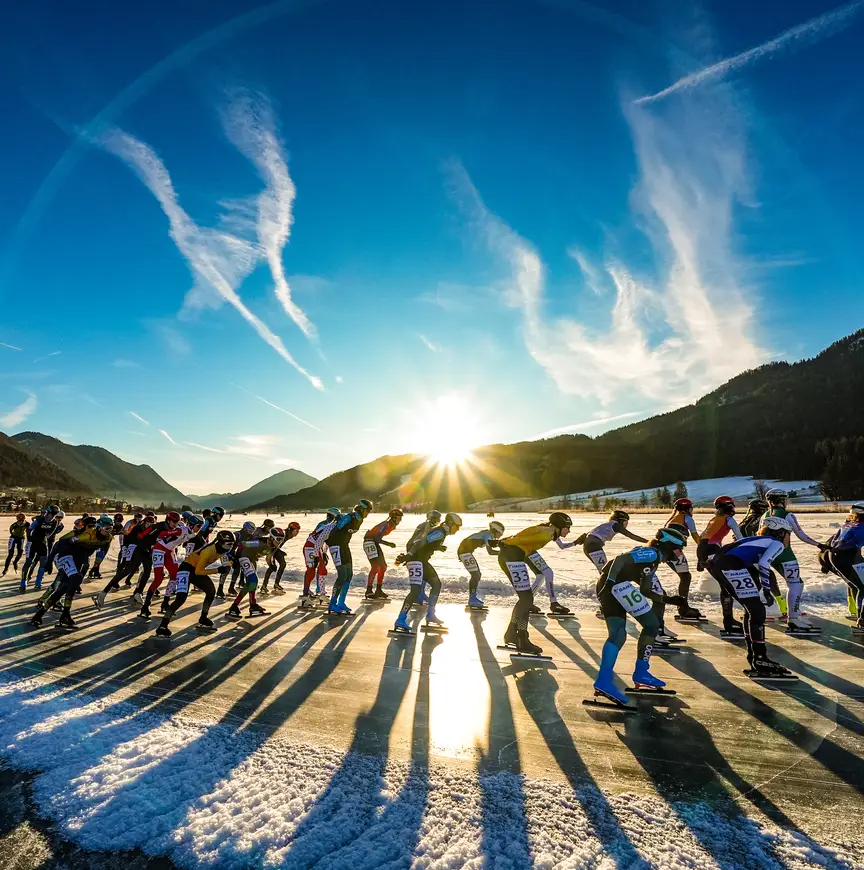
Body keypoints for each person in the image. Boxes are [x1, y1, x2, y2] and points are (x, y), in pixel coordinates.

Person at [591, 527, 688, 706]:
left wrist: (669, 599)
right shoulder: (651, 553)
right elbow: (620, 560)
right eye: (679, 549)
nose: (680, 554)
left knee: (623, 632)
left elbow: (645, 590)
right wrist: (611, 582)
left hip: (612, 585)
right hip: (614, 584)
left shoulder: (654, 561)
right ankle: (632, 674)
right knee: (646, 626)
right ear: (668, 545)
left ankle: (612, 678)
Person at [705, 516, 795, 678]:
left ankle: (754, 656)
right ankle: (760, 658)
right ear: (781, 533)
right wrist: (767, 591)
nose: (790, 538)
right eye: (789, 534)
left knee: (752, 610)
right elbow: (764, 564)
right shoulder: (777, 543)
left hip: (721, 562)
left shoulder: (758, 539)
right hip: (731, 564)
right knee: (757, 611)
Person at [495, 513, 573, 656]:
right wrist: (506, 542)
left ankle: (512, 633)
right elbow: (525, 538)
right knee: (527, 599)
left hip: (511, 555)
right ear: (560, 526)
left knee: (525, 598)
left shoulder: (544, 529)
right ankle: (521, 638)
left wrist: (506, 541)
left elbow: (523, 536)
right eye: (567, 527)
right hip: (513, 555)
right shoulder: (548, 533)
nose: (569, 531)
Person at [29, 516, 114, 629]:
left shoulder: (108, 538)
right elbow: (59, 544)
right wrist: (49, 561)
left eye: (111, 529)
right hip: (64, 555)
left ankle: (40, 615)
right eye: (107, 528)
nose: (109, 531)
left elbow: (103, 551)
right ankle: (64, 614)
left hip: (78, 559)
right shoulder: (85, 535)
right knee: (75, 579)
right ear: (99, 528)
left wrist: (96, 566)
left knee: (65, 586)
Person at [762, 489, 826, 634]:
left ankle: (794, 616)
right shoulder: (788, 515)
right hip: (786, 555)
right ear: (782, 500)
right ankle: (794, 618)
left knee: (795, 583)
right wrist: (818, 544)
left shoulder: (765, 515)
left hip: (771, 554)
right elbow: (800, 534)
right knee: (796, 585)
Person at [155, 530, 236, 637]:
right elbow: (199, 571)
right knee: (181, 598)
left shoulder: (222, 550)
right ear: (221, 543)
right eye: (229, 544)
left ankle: (203, 617)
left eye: (232, 544)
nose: (231, 546)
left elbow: (226, 563)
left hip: (195, 569)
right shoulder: (208, 551)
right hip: (186, 569)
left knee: (211, 591)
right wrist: (218, 570)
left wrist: (230, 564)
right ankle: (162, 625)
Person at [392, 512, 462, 633]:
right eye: (457, 527)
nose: (458, 530)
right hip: (416, 560)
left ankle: (430, 615)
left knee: (436, 584)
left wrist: (437, 547)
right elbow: (421, 542)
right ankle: (401, 619)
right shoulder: (440, 532)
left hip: (421, 561)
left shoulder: (441, 532)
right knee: (415, 591)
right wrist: (409, 555)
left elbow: (428, 543)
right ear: (450, 524)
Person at [314, 499, 373, 615]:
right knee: (342, 576)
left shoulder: (359, 519)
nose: (368, 514)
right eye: (367, 511)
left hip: (344, 545)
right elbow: (337, 526)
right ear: (361, 509)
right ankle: (332, 603)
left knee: (349, 575)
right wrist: (320, 550)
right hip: (336, 545)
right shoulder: (350, 517)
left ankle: (341, 602)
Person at [138, 513, 203, 617]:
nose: (200, 528)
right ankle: (146, 606)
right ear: (191, 524)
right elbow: (163, 534)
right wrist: (155, 543)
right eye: (199, 526)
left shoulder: (192, 533)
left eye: (201, 526)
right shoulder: (182, 530)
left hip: (169, 551)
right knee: (158, 578)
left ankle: (165, 603)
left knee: (174, 576)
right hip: (159, 550)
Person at [696, 496, 743, 633]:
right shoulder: (729, 519)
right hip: (712, 551)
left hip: (704, 551)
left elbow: (702, 539)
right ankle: (729, 622)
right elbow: (740, 538)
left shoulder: (714, 519)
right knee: (727, 586)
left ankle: (729, 621)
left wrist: (700, 559)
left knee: (725, 586)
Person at [738, 498, 785, 619]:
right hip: (754, 555)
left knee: (754, 583)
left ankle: (750, 611)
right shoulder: (760, 520)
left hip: (743, 555)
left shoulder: (745, 520)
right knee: (768, 579)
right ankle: (780, 607)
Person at [823, 504, 864, 632]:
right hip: (849, 557)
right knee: (862, 587)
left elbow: (831, 542)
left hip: (834, 557)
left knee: (859, 586)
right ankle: (862, 619)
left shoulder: (847, 524)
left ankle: (859, 615)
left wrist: (824, 563)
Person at [662, 499, 703, 620]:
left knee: (685, 577)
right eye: (691, 508)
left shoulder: (673, 518)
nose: (692, 510)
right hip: (674, 552)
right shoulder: (687, 518)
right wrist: (702, 549)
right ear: (687, 509)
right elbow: (695, 535)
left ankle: (683, 607)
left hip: (668, 552)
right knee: (686, 577)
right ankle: (683, 609)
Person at [227, 525, 277, 618]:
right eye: (278, 539)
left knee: (253, 582)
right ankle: (234, 606)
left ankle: (252, 605)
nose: (279, 541)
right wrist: (236, 558)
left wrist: (272, 565)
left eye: (281, 540)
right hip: (244, 557)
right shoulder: (260, 542)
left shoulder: (273, 546)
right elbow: (242, 544)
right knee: (252, 580)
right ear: (272, 537)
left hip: (252, 559)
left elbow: (268, 557)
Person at [579, 510, 648, 574]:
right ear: (620, 520)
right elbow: (631, 536)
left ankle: (606, 584)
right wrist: (648, 542)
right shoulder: (616, 525)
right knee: (606, 571)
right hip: (593, 546)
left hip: (587, 546)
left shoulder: (606, 525)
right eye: (625, 522)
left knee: (603, 570)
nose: (626, 525)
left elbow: (588, 534)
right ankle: (608, 586)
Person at [457, 521, 505, 609]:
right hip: (464, 552)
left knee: (476, 575)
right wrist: (504, 553)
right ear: (495, 530)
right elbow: (490, 552)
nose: (500, 536)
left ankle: (472, 598)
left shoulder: (487, 534)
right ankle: (472, 599)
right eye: (500, 534)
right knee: (476, 575)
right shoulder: (488, 535)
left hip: (464, 551)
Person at [300, 508, 339, 605]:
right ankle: (305, 596)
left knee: (322, 570)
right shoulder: (325, 524)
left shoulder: (331, 525)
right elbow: (319, 539)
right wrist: (320, 554)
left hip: (317, 546)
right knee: (311, 570)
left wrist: (324, 553)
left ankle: (322, 594)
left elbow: (325, 541)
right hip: (310, 546)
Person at [363, 509, 403, 600]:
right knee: (376, 567)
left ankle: (378, 590)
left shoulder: (390, 525)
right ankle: (368, 590)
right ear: (393, 518)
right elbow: (377, 538)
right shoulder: (386, 524)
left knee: (383, 567)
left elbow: (377, 539)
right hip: (369, 542)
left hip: (373, 542)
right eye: (399, 519)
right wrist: (389, 544)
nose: (400, 521)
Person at [19, 505, 61, 590]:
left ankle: (38, 582)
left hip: (43, 543)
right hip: (32, 543)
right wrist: (29, 539)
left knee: (43, 563)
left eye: (54, 515)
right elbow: (29, 529)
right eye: (50, 514)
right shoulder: (40, 519)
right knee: (29, 562)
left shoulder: (55, 522)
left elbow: (50, 534)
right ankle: (23, 582)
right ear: (47, 513)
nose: (51, 516)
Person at [261, 523, 301, 593]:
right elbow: (273, 543)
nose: (297, 533)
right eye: (296, 531)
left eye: (298, 531)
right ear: (291, 530)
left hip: (275, 548)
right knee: (272, 566)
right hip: (270, 548)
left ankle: (276, 584)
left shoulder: (289, 534)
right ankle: (264, 586)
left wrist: (280, 551)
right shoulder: (284, 534)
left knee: (283, 564)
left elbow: (278, 545)